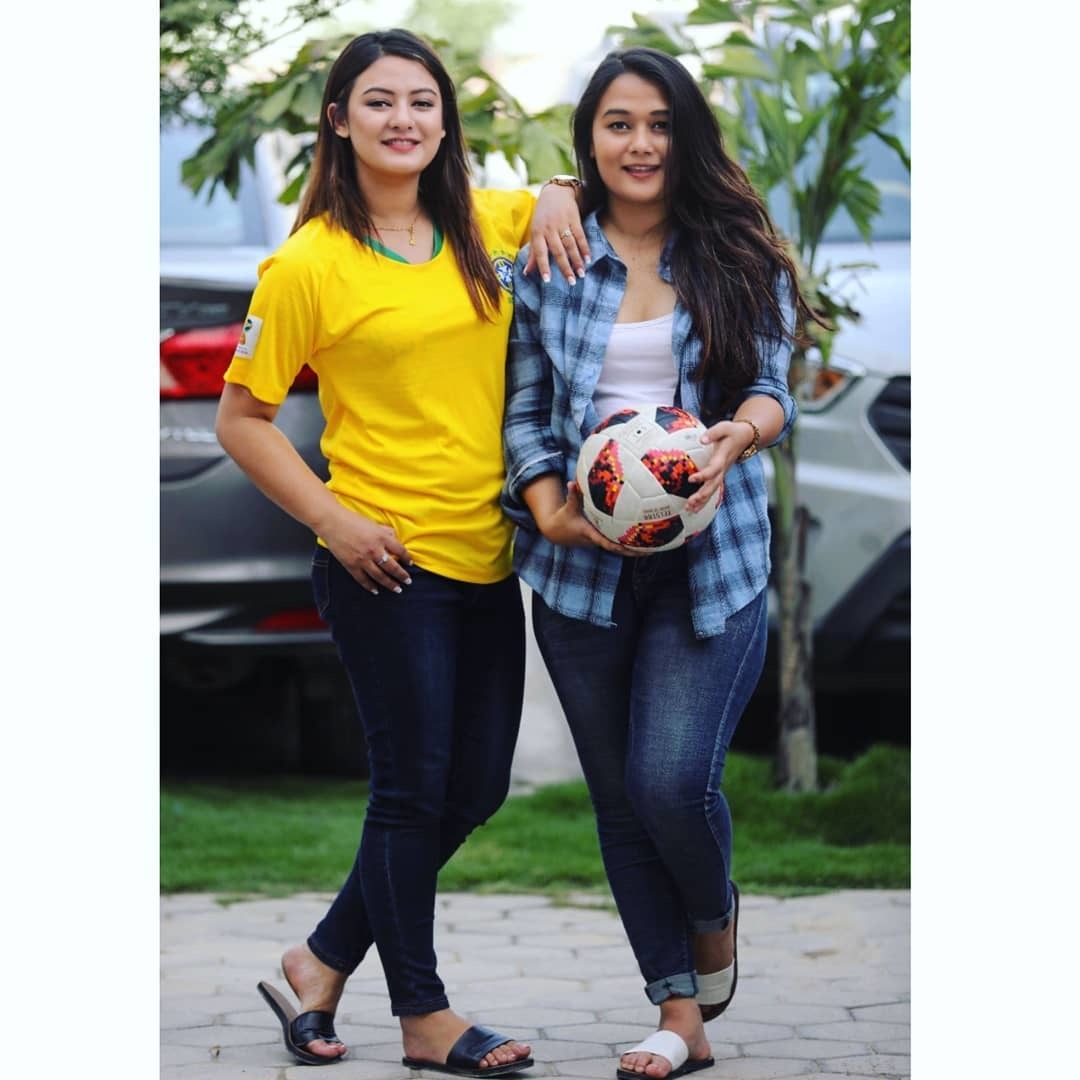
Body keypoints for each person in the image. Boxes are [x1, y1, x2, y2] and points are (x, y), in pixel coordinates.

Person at [215, 28, 588, 1075]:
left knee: (474, 791)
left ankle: (320, 958)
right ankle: (423, 1016)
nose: (403, 120)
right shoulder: (307, 264)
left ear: (445, 117)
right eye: (378, 101)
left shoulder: (482, 222)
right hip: (382, 563)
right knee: (410, 791)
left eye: (422, 101)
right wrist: (334, 520)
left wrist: (558, 189)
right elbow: (241, 420)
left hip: (485, 556)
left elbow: (570, 199)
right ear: (339, 120)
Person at [502, 47, 821, 1080]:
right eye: (618, 124)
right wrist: (550, 510)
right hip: (581, 572)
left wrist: (739, 435)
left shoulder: (738, 251)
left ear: (688, 136)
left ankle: (713, 914)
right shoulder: (550, 257)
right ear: (589, 140)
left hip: (710, 563)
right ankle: (679, 1014)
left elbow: (772, 386)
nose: (641, 144)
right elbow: (522, 409)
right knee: (619, 800)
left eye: (661, 124)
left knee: (671, 781)